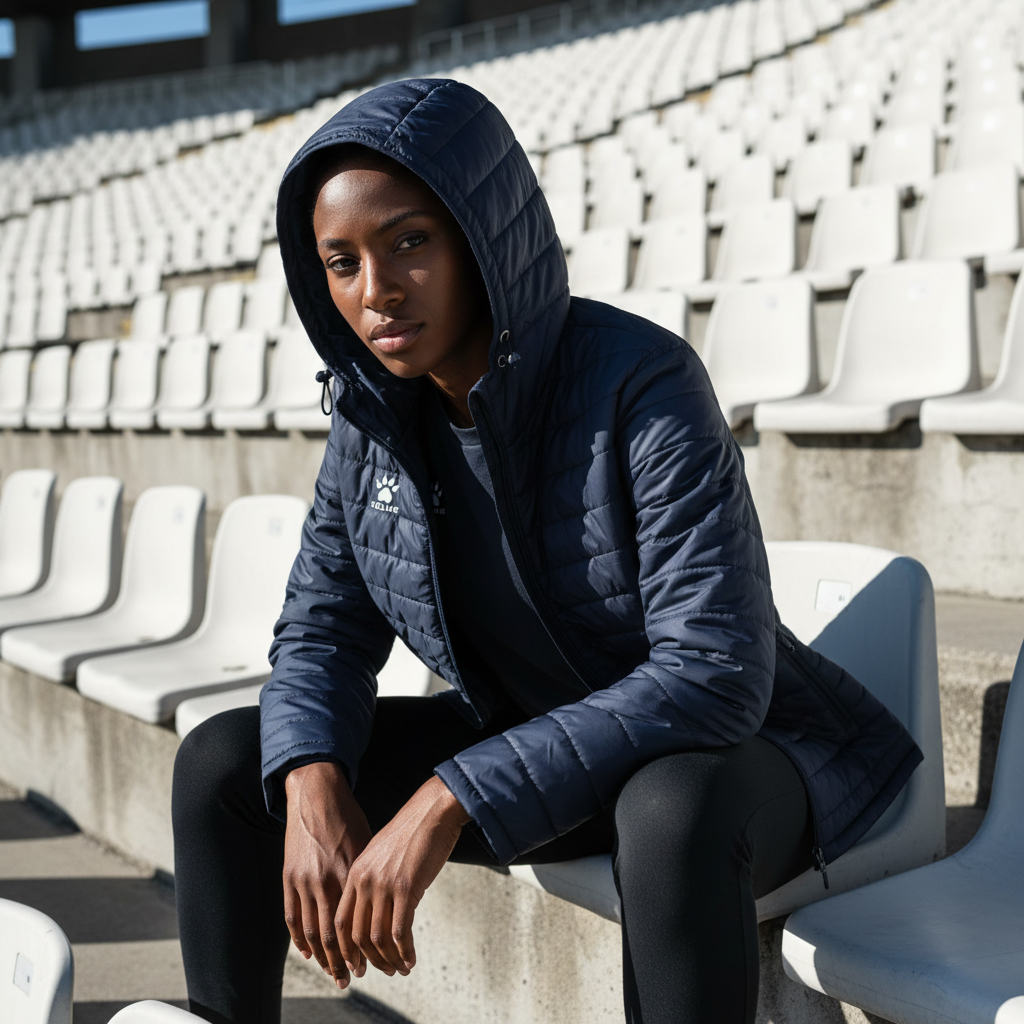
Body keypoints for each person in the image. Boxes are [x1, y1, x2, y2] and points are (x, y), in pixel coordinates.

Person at [172, 79, 922, 1024]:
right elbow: (321, 631)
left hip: (738, 760)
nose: (378, 292)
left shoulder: (641, 381)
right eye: (342, 261)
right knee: (229, 763)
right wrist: (314, 781)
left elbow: (715, 673)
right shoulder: (371, 418)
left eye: (410, 242)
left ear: (479, 235)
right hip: (543, 747)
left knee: (668, 812)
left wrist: (450, 793)